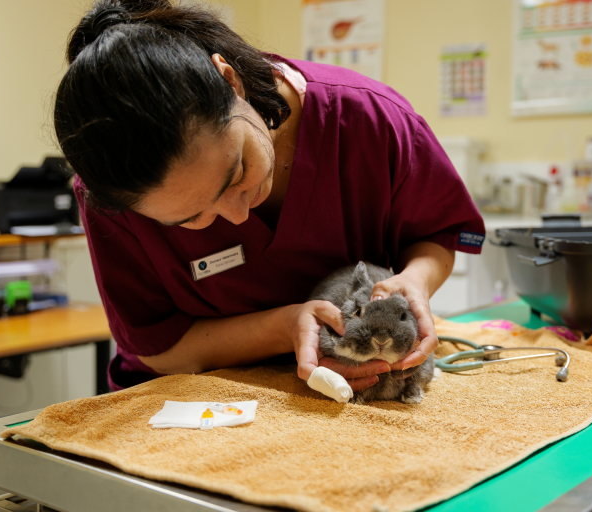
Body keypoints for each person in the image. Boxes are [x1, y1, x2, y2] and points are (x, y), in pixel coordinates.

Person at [56, 0, 485, 392]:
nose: (240, 217)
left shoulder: (368, 120)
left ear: (231, 82)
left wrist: (415, 281)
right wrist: (285, 327)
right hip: (191, 402)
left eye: (238, 171)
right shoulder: (111, 198)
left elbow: (438, 234)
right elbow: (155, 346)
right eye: (188, 219)